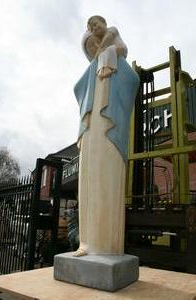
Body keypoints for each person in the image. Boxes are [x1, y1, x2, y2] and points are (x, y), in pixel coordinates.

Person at [74, 16, 140, 257]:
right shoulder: (90, 72)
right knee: (88, 183)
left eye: (95, 39)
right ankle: (86, 243)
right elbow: (79, 92)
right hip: (91, 136)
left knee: (106, 181)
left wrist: (111, 53)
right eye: (89, 46)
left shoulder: (115, 56)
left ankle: (105, 246)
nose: (94, 48)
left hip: (108, 134)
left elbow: (132, 79)